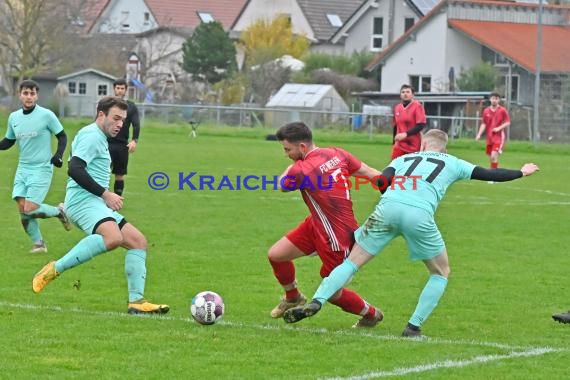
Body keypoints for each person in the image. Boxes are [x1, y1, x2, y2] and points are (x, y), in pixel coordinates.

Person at [283, 129, 539, 337]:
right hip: (418, 215)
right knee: (441, 272)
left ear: (422, 146)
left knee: (351, 263)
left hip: (387, 209)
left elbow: (382, 182)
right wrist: (522, 172)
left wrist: (392, 201)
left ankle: (317, 300)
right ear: (444, 149)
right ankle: (413, 328)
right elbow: (490, 173)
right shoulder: (453, 162)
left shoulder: (402, 159)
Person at [32, 96, 169, 315]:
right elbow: (75, 169)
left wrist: (103, 197)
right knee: (112, 237)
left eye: (123, 121)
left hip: (93, 202)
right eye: (115, 118)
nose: (119, 124)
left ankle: (137, 302)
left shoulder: (99, 137)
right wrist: (106, 194)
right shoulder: (91, 135)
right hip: (82, 201)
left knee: (138, 242)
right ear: (101, 115)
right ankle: (54, 268)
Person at [268, 121, 383, 328]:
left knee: (332, 290)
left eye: (287, 149)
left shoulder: (301, 170)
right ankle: (293, 296)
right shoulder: (337, 153)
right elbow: (369, 172)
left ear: (302, 147)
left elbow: (282, 186)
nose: (286, 154)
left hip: (337, 236)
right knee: (276, 255)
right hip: (316, 223)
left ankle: (371, 314)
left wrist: (290, 167)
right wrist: (391, 186)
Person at [0, 79, 71, 253]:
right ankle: (39, 244)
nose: (29, 96)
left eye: (32, 93)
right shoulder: (14, 117)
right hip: (23, 168)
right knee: (22, 209)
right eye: (25, 93)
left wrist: (58, 155)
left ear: (37, 95)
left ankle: (59, 212)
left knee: (30, 209)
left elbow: (62, 136)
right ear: (20, 95)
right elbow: (9, 141)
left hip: (42, 168)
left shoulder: (46, 115)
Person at [108, 78, 140, 196]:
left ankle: (117, 199)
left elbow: (136, 124)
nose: (120, 90)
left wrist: (134, 141)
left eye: (122, 88)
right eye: (118, 88)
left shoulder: (130, 106)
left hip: (122, 145)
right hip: (106, 143)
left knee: (120, 174)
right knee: (103, 172)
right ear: (114, 89)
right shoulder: (107, 104)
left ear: (126, 90)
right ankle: (101, 198)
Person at [475, 92, 510, 170]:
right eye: (493, 98)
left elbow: (508, 122)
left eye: (496, 99)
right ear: (490, 99)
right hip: (490, 138)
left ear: (499, 100)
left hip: (499, 138)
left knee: (494, 156)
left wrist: (499, 128)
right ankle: (495, 174)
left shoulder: (502, 110)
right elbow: (484, 124)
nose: (494, 100)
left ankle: (493, 177)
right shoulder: (486, 111)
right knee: (491, 157)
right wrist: (479, 134)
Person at [391, 84, 426, 159]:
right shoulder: (397, 107)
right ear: (400, 95)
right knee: (394, 167)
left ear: (412, 94)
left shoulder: (417, 106)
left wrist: (405, 134)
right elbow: (395, 125)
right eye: (403, 92)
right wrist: (394, 142)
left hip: (413, 146)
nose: (405, 94)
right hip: (399, 145)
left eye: (407, 92)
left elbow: (421, 125)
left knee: (411, 169)